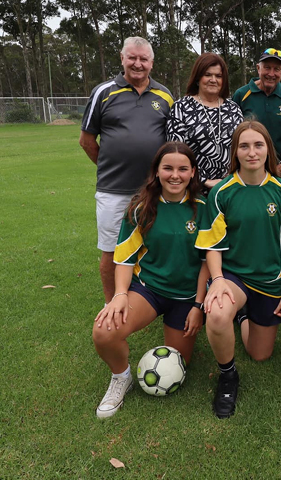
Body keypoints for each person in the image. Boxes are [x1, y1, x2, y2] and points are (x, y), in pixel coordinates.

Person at [91, 142, 208, 418]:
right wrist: (120, 294)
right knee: (104, 331)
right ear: (156, 171)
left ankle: (181, 327)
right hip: (149, 291)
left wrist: (198, 306)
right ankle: (121, 377)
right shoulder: (141, 207)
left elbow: (207, 261)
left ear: (192, 172)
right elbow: (125, 258)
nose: (175, 175)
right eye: (167, 168)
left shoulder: (202, 208)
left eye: (182, 169)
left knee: (181, 360)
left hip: (187, 297)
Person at [195, 121, 281, 419]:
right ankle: (228, 376)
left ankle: (243, 315)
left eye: (258, 145)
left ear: (268, 149)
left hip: (269, 280)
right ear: (235, 151)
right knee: (216, 314)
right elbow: (212, 245)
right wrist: (216, 281)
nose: (251, 152)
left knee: (260, 354)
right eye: (244, 146)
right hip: (234, 276)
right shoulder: (221, 193)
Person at [80, 37, 173, 302]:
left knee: (155, 246)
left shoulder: (165, 95)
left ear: (151, 63)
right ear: (122, 58)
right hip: (114, 190)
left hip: (154, 189)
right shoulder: (104, 92)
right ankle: (112, 303)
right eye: (132, 57)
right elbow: (86, 140)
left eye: (143, 59)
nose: (137, 63)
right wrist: (111, 166)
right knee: (112, 250)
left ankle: (151, 297)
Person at [167, 53, 243, 194]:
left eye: (218, 76)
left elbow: (242, 147)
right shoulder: (181, 108)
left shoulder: (233, 109)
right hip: (193, 190)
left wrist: (233, 178)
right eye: (207, 75)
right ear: (197, 78)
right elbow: (175, 152)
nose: (213, 80)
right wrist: (204, 181)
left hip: (229, 189)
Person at [233, 48, 281, 184]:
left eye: (277, 69)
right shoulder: (241, 95)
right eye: (267, 68)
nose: (271, 73)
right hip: (248, 170)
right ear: (258, 68)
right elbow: (233, 135)